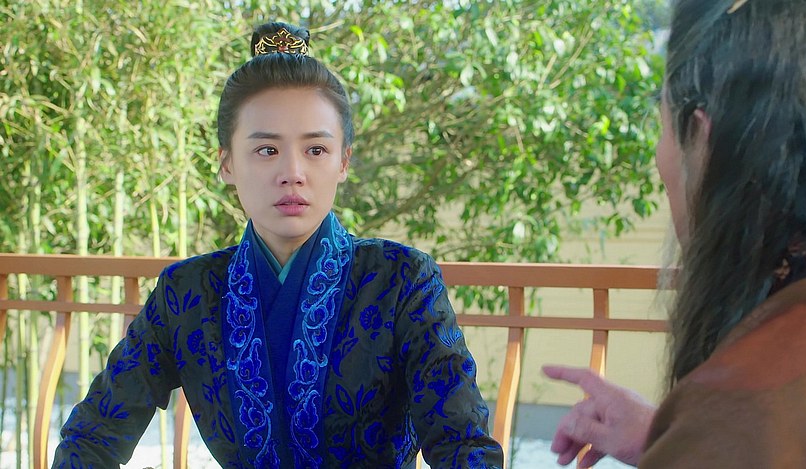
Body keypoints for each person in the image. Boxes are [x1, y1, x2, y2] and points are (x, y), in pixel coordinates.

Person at [52, 21, 503, 469]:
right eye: (267, 150)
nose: (293, 173)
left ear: (343, 161)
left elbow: (462, 444)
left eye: (316, 150)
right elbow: (93, 436)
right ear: (227, 163)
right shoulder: (187, 292)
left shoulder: (401, 280)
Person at [543, 0, 806, 467]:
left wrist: (700, 435)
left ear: (703, 139)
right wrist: (670, 436)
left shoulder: (745, 404)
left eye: (663, 130)